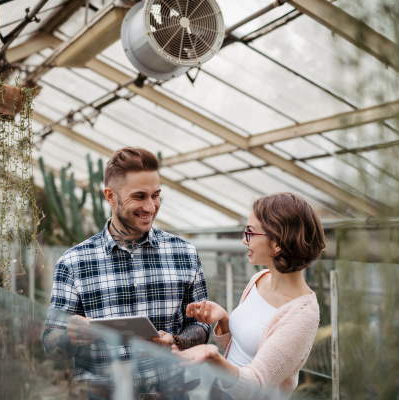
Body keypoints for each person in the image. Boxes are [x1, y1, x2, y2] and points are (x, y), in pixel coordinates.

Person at [43, 147, 210, 399]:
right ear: (110, 196)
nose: (150, 206)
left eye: (156, 195)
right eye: (139, 196)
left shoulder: (184, 253)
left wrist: (176, 340)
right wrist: (71, 336)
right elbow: (50, 344)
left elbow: (202, 325)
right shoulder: (74, 262)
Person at [172, 192, 325, 400]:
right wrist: (224, 320)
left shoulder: (302, 315)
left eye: (251, 233)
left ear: (277, 243)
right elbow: (242, 351)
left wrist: (212, 357)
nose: (245, 241)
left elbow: (256, 384)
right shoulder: (259, 279)